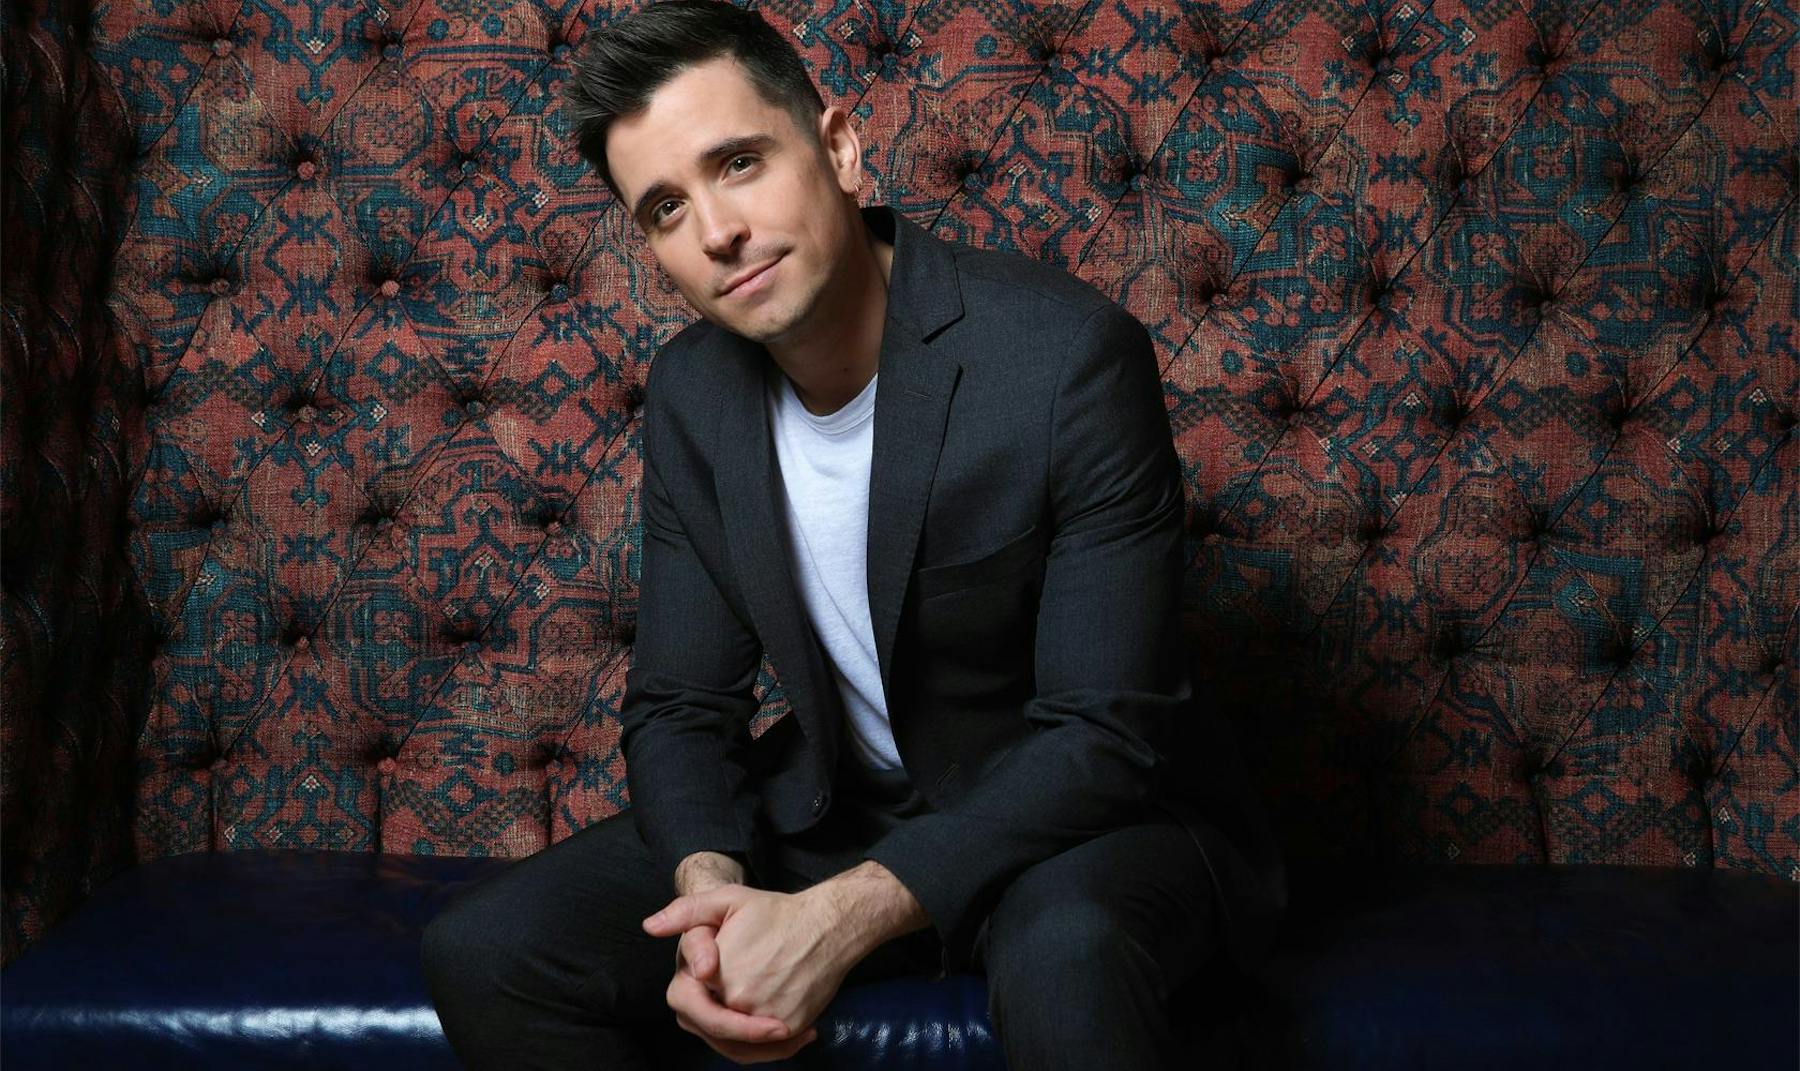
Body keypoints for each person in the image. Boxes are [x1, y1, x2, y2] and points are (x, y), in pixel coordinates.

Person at [420, 2, 1286, 1068]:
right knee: (490, 951)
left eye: (739, 163)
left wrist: (839, 918)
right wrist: (710, 895)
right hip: (850, 810)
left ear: (837, 147)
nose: (716, 231)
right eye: (666, 208)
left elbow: (1106, 736)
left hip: (1089, 823)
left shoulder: (1066, 360)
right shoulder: (694, 393)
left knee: (1067, 952)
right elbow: (682, 706)